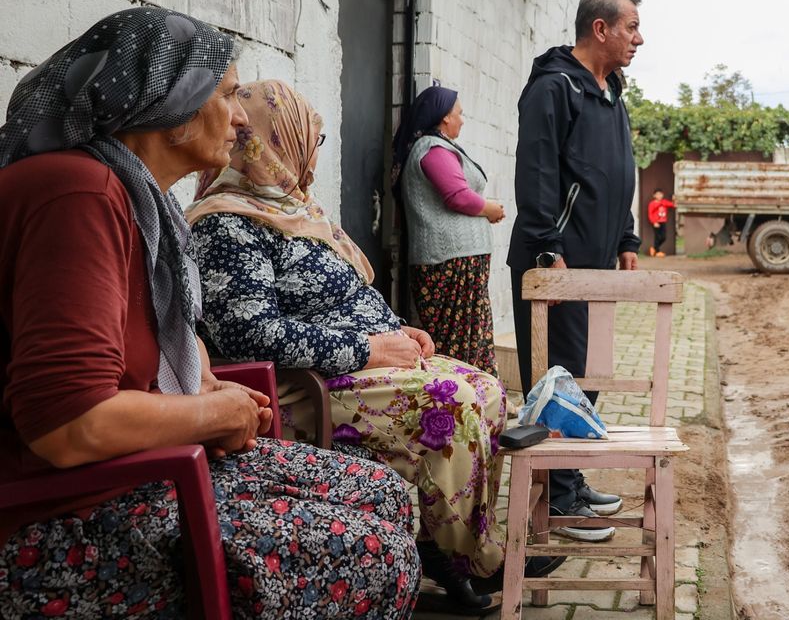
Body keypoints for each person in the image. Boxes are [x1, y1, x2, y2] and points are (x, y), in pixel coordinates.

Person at [0, 9, 420, 618]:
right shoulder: (78, 194)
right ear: (169, 104)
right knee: (376, 551)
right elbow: (69, 425)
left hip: (126, 474)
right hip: (53, 515)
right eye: (226, 94)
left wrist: (203, 381)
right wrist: (208, 411)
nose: (242, 116)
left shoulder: (139, 198)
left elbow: (146, 336)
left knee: (385, 494)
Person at [186, 80, 552, 613]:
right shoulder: (227, 223)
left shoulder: (291, 207)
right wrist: (369, 350)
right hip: (301, 387)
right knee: (453, 401)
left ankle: (447, 543)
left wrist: (399, 329)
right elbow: (250, 334)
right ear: (274, 139)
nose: (314, 149)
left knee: (487, 388)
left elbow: (345, 296)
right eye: (309, 137)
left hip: (351, 364)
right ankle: (475, 559)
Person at [508, 0, 645, 541]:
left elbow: (620, 170)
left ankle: (571, 478)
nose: (640, 38)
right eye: (632, 27)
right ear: (601, 29)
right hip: (556, 262)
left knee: (584, 378)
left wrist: (627, 238)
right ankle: (558, 501)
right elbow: (537, 172)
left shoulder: (610, 90)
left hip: (595, 261)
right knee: (554, 379)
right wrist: (547, 250)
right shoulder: (553, 88)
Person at [391, 85, 504, 374]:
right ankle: (457, 398)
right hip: (450, 263)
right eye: (460, 114)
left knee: (473, 334)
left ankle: (481, 396)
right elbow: (457, 196)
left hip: (460, 262)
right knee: (456, 338)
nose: (462, 120)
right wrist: (489, 208)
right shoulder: (433, 149)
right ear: (444, 117)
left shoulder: (438, 147)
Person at [647, 188, 677, 257]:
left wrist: (674, 199)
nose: (659, 196)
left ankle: (654, 248)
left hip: (663, 222)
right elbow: (650, 214)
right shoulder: (652, 204)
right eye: (657, 194)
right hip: (656, 223)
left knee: (663, 237)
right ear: (654, 195)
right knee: (657, 237)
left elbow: (673, 205)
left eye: (660, 194)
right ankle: (657, 251)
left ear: (662, 195)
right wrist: (654, 222)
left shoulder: (664, 202)